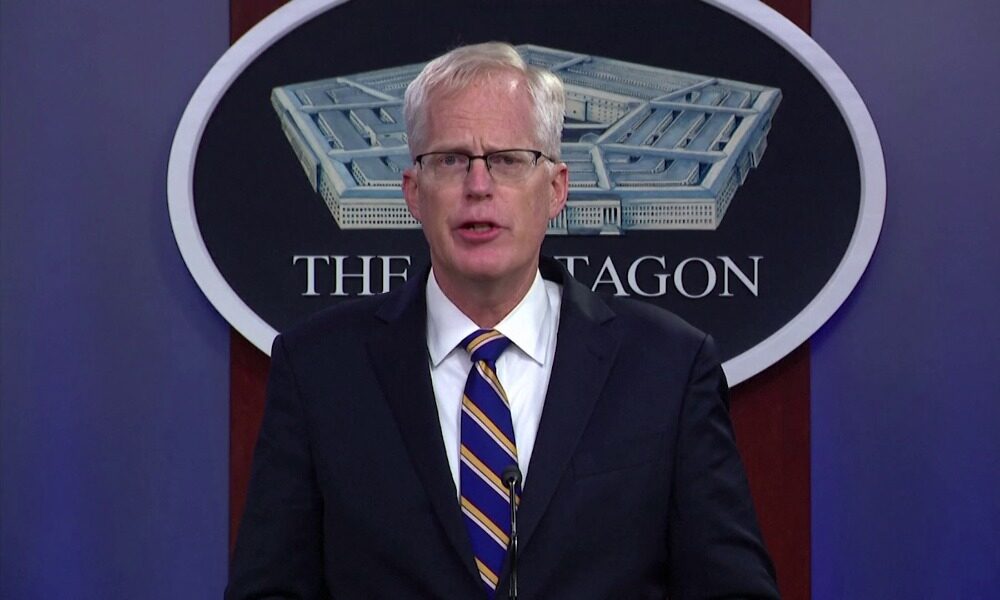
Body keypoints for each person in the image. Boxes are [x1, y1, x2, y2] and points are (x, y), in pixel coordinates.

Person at [226, 42, 779, 599]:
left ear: (556, 189)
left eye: (508, 160)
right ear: (413, 193)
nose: (478, 186)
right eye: (450, 160)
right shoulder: (320, 369)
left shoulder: (667, 368)